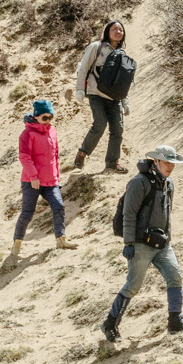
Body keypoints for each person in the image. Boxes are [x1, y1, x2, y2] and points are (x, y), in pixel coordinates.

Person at [102, 144, 183, 342]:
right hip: (140, 243)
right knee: (133, 286)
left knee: (175, 277)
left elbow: (167, 214)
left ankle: (175, 322)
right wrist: (129, 243)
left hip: (162, 243)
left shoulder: (169, 184)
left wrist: (167, 239)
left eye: (172, 163)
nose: (170, 167)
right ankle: (110, 324)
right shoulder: (139, 182)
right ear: (156, 161)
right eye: (166, 163)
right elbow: (129, 214)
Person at [13, 98, 76, 256]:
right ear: (36, 117)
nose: (48, 121)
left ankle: (61, 240)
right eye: (44, 118)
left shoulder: (52, 131)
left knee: (59, 207)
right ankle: (17, 244)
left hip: (51, 181)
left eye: (50, 117)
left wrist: (56, 176)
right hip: (31, 181)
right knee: (27, 213)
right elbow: (24, 157)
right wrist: (33, 176)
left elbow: (55, 156)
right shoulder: (27, 134)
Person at [74, 20, 130, 175]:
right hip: (96, 94)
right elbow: (84, 68)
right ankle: (82, 153)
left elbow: (124, 80)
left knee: (117, 130)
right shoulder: (96, 47)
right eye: (114, 29)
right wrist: (79, 90)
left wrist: (125, 102)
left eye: (121, 30)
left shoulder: (122, 54)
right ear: (107, 31)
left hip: (115, 97)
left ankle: (112, 164)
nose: (118, 32)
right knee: (100, 124)